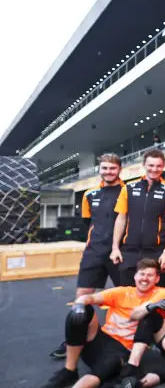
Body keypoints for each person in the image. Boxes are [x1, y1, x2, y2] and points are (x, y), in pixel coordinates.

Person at [40, 259, 165, 388]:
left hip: (126, 349)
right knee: (81, 313)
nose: (145, 278)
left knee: (111, 364)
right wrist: (80, 305)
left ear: (157, 279)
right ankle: (69, 370)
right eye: (142, 274)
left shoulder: (161, 294)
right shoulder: (121, 292)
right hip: (102, 341)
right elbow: (89, 298)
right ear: (135, 276)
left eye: (150, 275)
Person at [52, 153, 127, 359]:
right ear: (99, 169)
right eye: (104, 168)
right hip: (93, 251)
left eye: (112, 168)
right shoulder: (89, 194)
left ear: (119, 169)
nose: (108, 172)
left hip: (119, 252)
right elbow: (88, 222)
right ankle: (76, 339)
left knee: (125, 296)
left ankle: (128, 338)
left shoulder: (127, 191)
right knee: (82, 298)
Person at [110, 149, 165, 287]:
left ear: (163, 166)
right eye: (151, 165)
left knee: (154, 296)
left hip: (155, 251)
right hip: (129, 251)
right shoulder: (128, 188)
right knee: (127, 292)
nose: (154, 169)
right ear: (144, 165)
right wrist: (115, 248)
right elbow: (121, 218)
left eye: (158, 166)